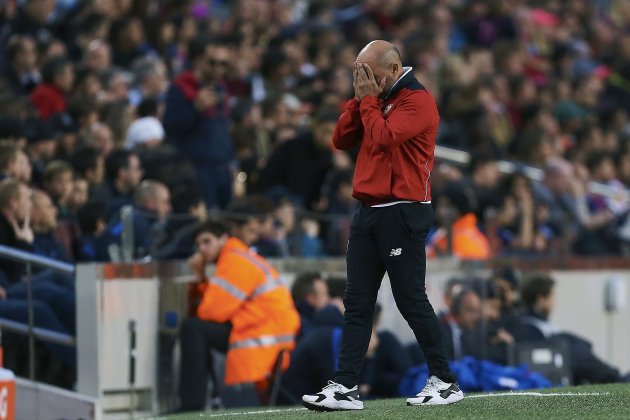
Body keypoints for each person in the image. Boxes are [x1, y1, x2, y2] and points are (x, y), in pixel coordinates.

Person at [302, 40, 463, 411]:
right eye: (358, 75)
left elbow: (384, 137)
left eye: (368, 75)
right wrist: (360, 99)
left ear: (392, 70)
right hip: (369, 210)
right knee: (356, 302)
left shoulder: (417, 100)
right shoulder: (377, 97)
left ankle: (445, 380)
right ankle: (344, 386)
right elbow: (341, 139)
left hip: (403, 210)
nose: (364, 81)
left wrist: (368, 101)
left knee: (410, 299)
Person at [178, 221, 300, 412]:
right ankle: (204, 400)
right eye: (198, 244)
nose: (201, 249)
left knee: (192, 329)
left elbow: (209, 313)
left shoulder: (233, 260)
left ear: (223, 239)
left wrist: (200, 278)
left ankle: (192, 406)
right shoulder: (240, 256)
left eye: (206, 241)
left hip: (260, 333)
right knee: (196, 328)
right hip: (266, 330)